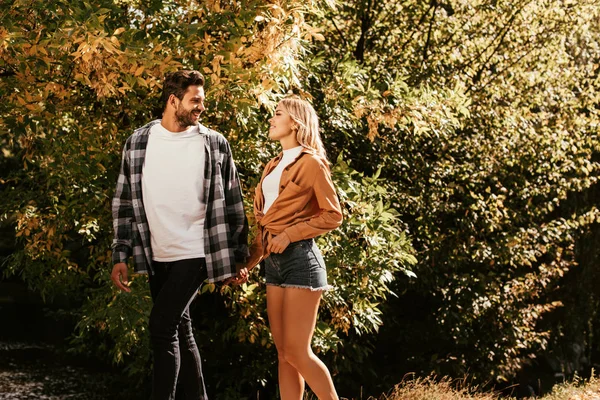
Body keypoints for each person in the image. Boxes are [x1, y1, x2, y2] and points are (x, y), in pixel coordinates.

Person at [110, 69, 248, 400]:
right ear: (174, 101)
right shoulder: (139, 141)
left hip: (198, 252)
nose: (201, 107)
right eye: (195, 100)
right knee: (181, 329)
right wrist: (120, 254)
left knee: (161, 329)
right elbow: (124, 200)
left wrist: (239, 258)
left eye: (202, 100)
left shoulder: (213, 144)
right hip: (157, 253)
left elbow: (233, 202)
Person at [235, 96, 343, 400]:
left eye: (277, 114)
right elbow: (266, 225)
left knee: (298, 350)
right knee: (283, 353)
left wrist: (291, 234)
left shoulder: (311, 163)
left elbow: (333, 214)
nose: (271, 119)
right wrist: (249, 262)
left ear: (295, 122)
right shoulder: (272, 166)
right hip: (273, 263)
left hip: (300, 261)